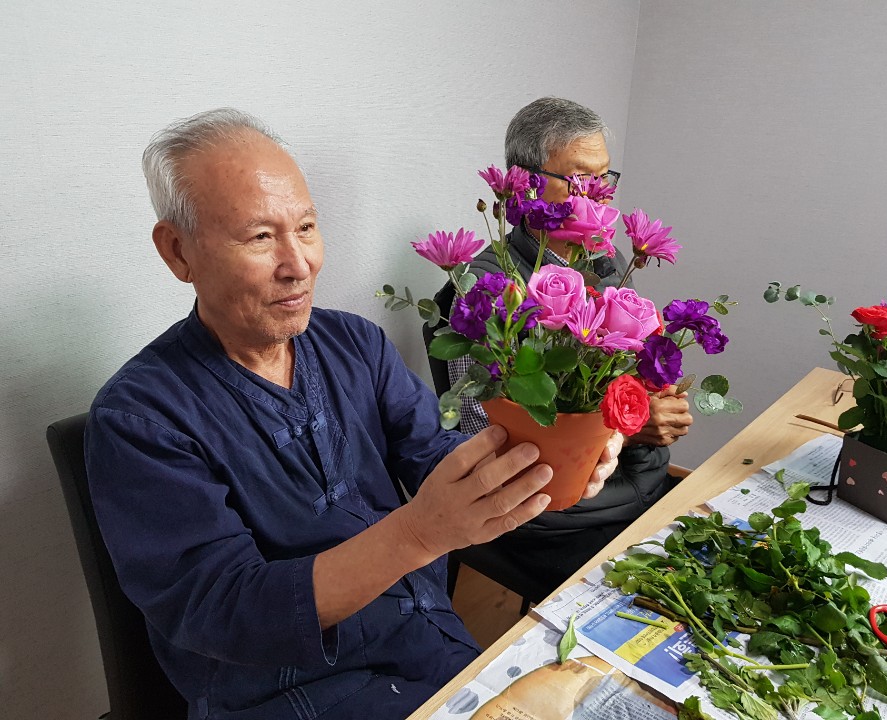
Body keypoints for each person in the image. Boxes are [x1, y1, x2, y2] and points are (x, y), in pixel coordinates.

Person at [84, 108, 623, 720]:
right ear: (177, 251)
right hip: (289, 696)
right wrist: (420, 534)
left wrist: (549, 461)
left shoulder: (355, 345)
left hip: (428, 645)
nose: (299, 264)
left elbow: (434, 454)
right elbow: (226, 610)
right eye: (260, 237)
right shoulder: (141, 419)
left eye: (306, 227)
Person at [436, 97, 693, 600]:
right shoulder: (485, 291)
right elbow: (485, 435)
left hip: (638, 480)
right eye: (578, 179)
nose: (598, 196)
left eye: (604, 179)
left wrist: (659, 401)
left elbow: (629, 369)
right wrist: (629, 428)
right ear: (525, 182)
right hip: (556, 512)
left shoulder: (606, 259)